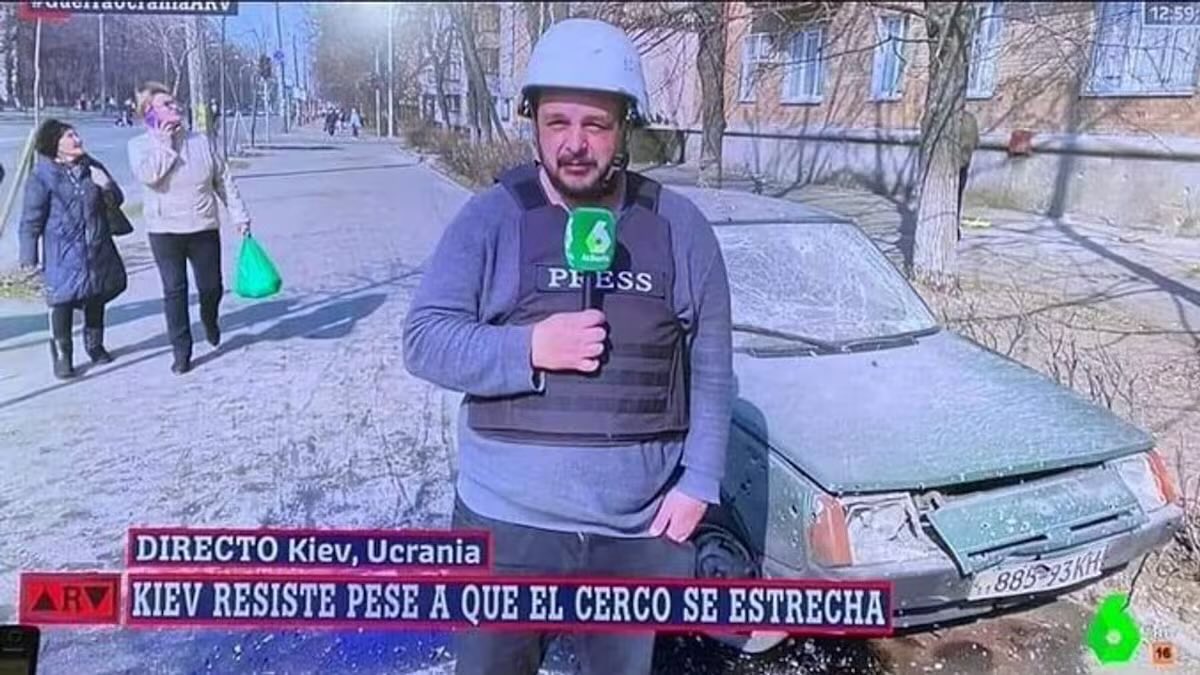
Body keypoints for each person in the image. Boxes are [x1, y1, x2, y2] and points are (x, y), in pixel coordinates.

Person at [403, 18, 733, 675]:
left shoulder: (679, 227)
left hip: (633, 533)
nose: (575, 144)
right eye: (557, 122)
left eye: (596, 125)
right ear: (532, 121)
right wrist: (530, 347)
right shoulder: (492, 218)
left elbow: (713, 366)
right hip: (505, 528)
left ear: (625, 127)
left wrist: (700, 480)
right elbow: (424, 340)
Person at [126, 81, 252, 375]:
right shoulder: (139, 146)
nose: (175, 107)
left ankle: (209, 318)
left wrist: (239, 216)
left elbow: (223, 180)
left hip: (202, 226)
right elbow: (150, 176)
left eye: (175, 102)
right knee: (175, 290)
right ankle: (181, 350)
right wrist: (165, 144)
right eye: (166, 105)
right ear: (149, 112)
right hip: (164, 231)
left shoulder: (201, 141)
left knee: (211, 287)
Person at [20, 119, 128, 379]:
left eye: (76, 134)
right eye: (69, 136)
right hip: (63, 252)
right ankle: (63, 356)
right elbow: (31, 220)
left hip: (96, 246)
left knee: (96, 295)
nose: (77, 139)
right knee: (62, 302)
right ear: (54, 144)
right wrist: (28, 257)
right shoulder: (42, 176)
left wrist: (106, 185)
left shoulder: (92, 167)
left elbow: (118, 199)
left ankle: (95, 346)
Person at [958, 110, 979, 241]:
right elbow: (976, 142)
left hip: (945, 165)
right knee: (958, 197)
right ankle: (954, 227)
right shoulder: (971, 118)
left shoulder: (947, 119)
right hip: (964, 164)